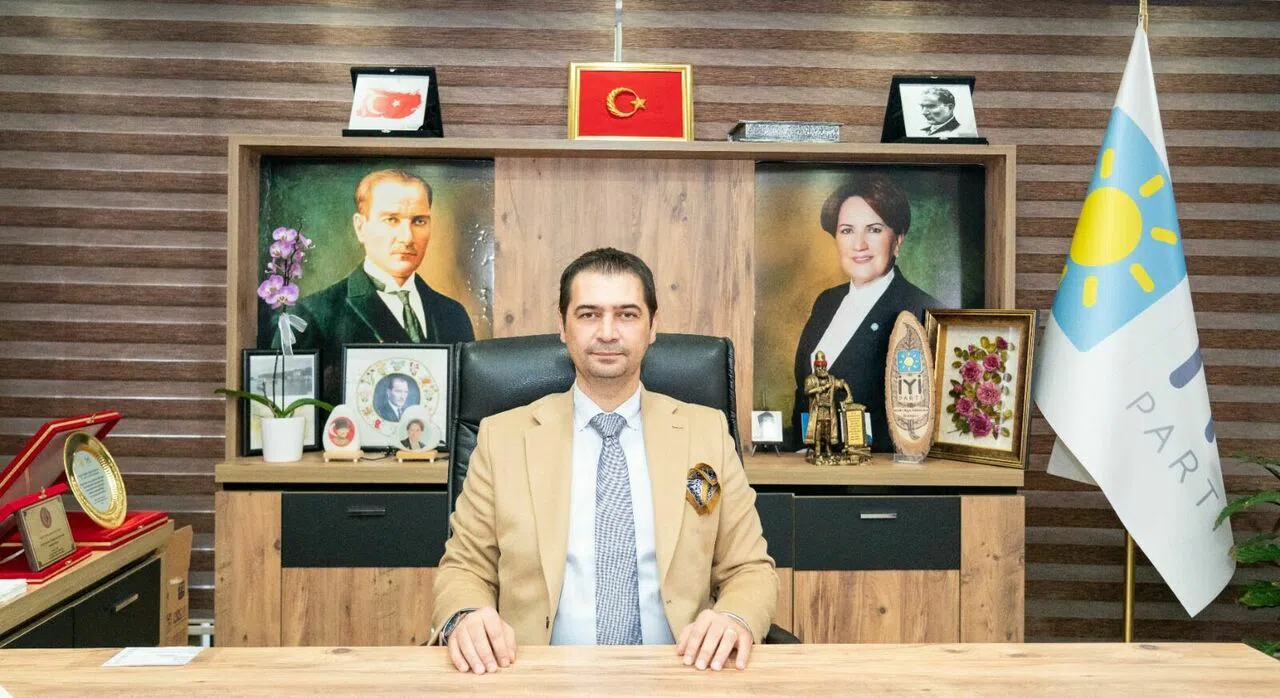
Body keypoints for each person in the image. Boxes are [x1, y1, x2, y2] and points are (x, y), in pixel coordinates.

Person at [432, 248, 777, 674]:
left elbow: (749, 569)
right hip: (535, 677)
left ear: (653, 326)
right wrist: (466, 616)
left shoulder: (705, 433)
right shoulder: (503, 438)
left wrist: (734, 618)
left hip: (681, 674)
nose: (608, 332)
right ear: (563, 327)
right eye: (589, 314)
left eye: (627, 315)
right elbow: (464, 567)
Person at [289, 169, 475, 404]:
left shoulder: (454, 314)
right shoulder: (313, 316)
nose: (407, 237)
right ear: (360, 227)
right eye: (391, 220)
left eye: (419, 221)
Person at [792, 174, 941, 453]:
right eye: (847, 230)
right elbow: (803, 393)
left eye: (873, 229)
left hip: (876, 473)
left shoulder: (922, 310)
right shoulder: (826, 302)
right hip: (810, 468)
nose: (859, 244)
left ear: (898, 240)